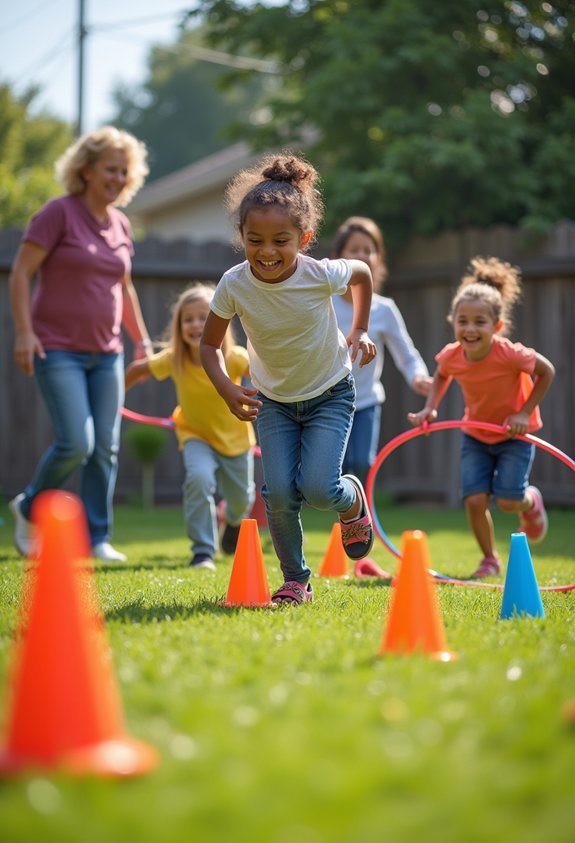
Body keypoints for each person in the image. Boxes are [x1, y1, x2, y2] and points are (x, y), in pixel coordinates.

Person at [200, 153, 377, 605]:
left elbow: (363, 273)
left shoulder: (319, 274)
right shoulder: (234, 284)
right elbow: (208, 346)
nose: (267, 251)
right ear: (242, 237)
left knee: (320, 489)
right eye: (255, 239)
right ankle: (296, 579)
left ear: (305, 238)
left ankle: (352, 500)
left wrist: (358, 328)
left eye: (281, 240)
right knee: (278, 493)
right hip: (273, 401)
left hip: (330, 392)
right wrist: (225, 388)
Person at [9, 126, 152, 563]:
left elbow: (123, 287)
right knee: (77, 442)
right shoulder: (58, 214)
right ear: (86, 170)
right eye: (110, 169)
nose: (118, 178)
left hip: (108, 352)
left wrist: (142, 342)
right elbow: (20, 273)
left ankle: (96, 537)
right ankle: (30, 505)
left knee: (105, 446)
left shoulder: (122, 224)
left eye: (124, 171)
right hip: (58, 348)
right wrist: (23, 332)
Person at [407, 257, 555, 579]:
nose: (470, 329)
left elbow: (547, 372)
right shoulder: (452, 355)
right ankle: (490, 559)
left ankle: (531, 502)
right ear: (453, 322)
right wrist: (430, 407)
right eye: (462, 321)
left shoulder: (510, 353)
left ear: (496, 327)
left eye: (479, 322)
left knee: (508, 501)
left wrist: (524, 412)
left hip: (514, 435)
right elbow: (442, 375)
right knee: (474, 500)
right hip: (475, 434)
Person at [125, 284, 256, 570]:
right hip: (195, 434)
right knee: (198, 479)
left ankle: (232, 520)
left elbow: (263, 371)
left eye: (204, 317)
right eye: (188, 319)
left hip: (236, 438)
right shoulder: (174, 359)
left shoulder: (234, 358)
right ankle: (202, 552)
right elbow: (138, 370)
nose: (196, 324)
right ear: (179, 326)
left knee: (242, 500)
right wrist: (113, 399)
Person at [331, 216, 432, 485]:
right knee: (335, 468)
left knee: (362, 463)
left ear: (378, 258)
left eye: (369, 250)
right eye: (355, 250)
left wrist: (418, 377)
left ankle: (358, 521)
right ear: (339, 257)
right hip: (326, 400)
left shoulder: (383, 309)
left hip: (365, 400)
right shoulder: (324, 302)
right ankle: (345, 518)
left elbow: (406, 353)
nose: (362, 255)